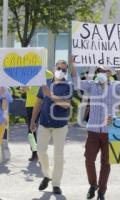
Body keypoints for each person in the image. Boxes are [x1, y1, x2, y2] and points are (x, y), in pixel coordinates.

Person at [78, 65, 120, 200]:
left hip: (109, 130)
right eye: (99, 71)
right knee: (89, 159)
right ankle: (93, 185)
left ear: (110, 73)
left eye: (104, 71)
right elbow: (76, 82)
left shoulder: (116, 86)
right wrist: (72, 66)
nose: (101, 73)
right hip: (93, 130)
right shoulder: (92, 85)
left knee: (106, 163)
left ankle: (101, 191)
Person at [30, 60, 75, 195]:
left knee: (58, 155)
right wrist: (33, 121)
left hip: (60, 126)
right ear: (54, 68)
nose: (61, 71)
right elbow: (38, 103)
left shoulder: (68, 86)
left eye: (64, 69)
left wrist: (51, 95)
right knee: (40, 151)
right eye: (59, 68)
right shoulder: (45, 83)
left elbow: (66, 104)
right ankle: (48, 175)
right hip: (44, 123)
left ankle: (56, 184)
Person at [20, 70, 53, 161]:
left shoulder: (48, 74)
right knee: (31, 130)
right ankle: (35, 153)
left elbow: (49, 89)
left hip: (42, 104)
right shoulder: (27, 73)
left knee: (42, 129)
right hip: (30, 104)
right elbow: (21, 89)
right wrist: (24, 88)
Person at [0, 87, 13, 163]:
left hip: (2, 119)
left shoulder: (5, 89)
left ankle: (6, 156)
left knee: (4, 139)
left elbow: (5, 108)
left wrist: (3, 95)